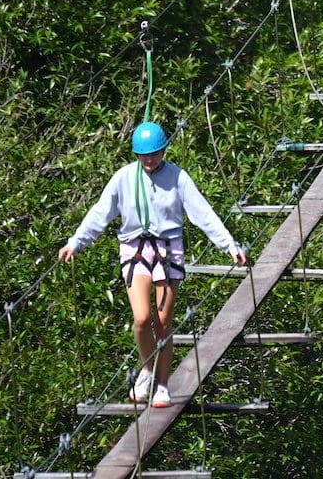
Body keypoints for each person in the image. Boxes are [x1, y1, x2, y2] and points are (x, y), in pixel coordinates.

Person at [58, 121, 247, 409]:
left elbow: (202, 213)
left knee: (162, 323)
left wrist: (229, 245)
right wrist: (76, 242)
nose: (150, 160)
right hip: (134, 251)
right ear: (136, 154)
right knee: (143, 319)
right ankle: (146, 370)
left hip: (168, 252)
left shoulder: (178, 177)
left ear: (163, 151)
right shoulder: (123, 178)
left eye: (155, 154)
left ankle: (161, 384)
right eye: (144, 155)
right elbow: (101, 213)